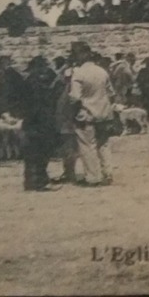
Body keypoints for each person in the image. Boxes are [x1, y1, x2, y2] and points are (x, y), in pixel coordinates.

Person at [66, 41, 115, 186]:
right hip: (104, 113)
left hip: (86, 114)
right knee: (104, 144)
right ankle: (108, 173)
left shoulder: (78, 74)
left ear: (79, 56)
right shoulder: (102, 71)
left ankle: (93, 177)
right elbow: (111, 92)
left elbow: (74, 97)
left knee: (87, 146)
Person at [19, 55, 62, 192]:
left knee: (32, 153)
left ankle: (31, 181)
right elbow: (41, 104)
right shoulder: (38, 83)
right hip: (40, 122)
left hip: (31, 122)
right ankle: (39, 182)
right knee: (41, 152)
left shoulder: (28, 81)